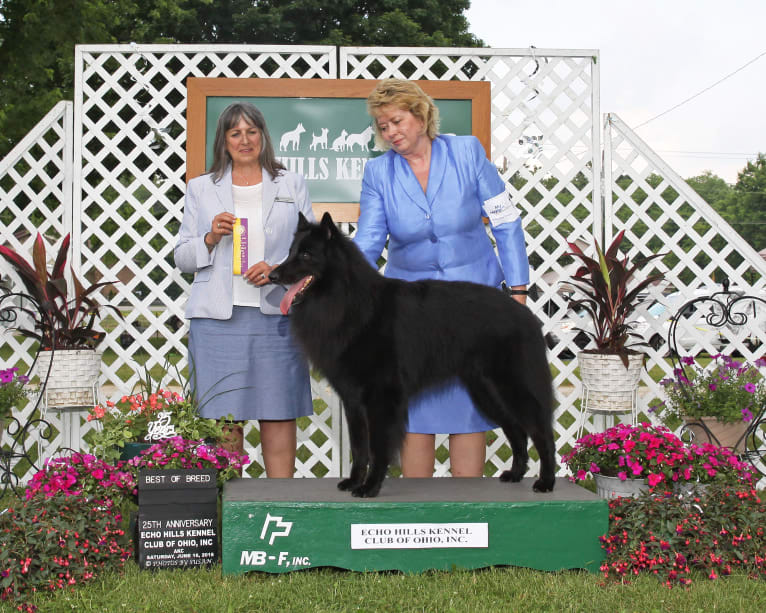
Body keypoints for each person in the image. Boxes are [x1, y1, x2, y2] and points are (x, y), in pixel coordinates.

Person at [354, 78, 531, 479]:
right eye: (382, 127)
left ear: (421, 115)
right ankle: (419, 514)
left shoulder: (467, 151)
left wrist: (517, 291)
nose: (390, 133)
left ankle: (468, 513)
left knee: (470, 403)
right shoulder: (378, 173)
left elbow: (505, 222)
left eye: (396, 121)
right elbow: (368, 240)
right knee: (414, 407)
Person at [174, 101, 314, 478]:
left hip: (278, 316)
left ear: (264, 137)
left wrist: (280, 270)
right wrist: (208, 237)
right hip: (218, 321)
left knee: (279, 411)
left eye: (252, 131)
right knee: (224, 418)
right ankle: (233, 508)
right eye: (235, 133)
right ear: (223, 141)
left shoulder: (291, 182)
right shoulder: (201, 188)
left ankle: (281, 506)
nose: (245, 139)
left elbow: (315, 250)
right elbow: (183, 257)